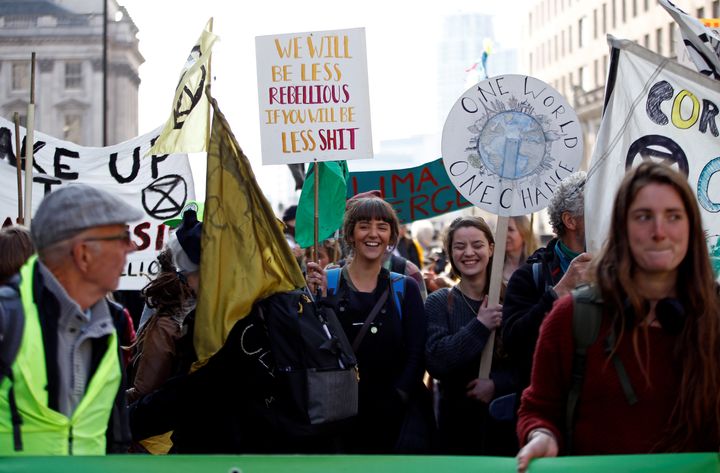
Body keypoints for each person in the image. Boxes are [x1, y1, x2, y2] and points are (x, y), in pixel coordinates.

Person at [516, 162, 720, 471]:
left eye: (674, 216)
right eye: (643, 217)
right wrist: (542, 434)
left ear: (691, 227)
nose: (659, 231)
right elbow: (538, 408)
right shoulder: (571, 318)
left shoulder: (714, 315)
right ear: (622, 228)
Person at [0, 184, 141, 455]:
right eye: (120, 238)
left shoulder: (107, 323)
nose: (132, 247)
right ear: (82, 253)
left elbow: (114, 429)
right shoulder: (9, 316)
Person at [306, 197, 430, 453]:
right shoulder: (326, 283)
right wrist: (307, 295)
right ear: (350, 234)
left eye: (382, 227)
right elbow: (311, 347)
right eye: (364, 225)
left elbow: (417, 352)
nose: (373, 234)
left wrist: (400, 395)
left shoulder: (404, 288)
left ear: (391, 237)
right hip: (338, 417)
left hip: (392, 419)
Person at [425, 216, 516, 455]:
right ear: (450, 253)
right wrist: (480, 325)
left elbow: (531, 364)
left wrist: (497, 384)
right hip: (456, 429)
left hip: (506, 427)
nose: (469, 253)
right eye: (459, 246)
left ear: (491, 248)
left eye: (477, 245)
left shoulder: (513, 298)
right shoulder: (439, 302)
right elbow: (436, 361)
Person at [502, 172, 592, 394]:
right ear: (570, 220)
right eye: (597, 207)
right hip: (549, 401)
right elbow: (514, 343)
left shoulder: (620, 267)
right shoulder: (530, 276)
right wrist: (560, 291)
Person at [126, 210, 201, 454]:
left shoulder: (169, 323)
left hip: (157, 439)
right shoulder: (214, 313)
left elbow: (147, 389)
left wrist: (112, 405)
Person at [503, 216, 539, 284]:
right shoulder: (492, 264)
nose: (505, 234)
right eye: (502, 228)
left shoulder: (536, 266)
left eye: (510, 230)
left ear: (524, 232)